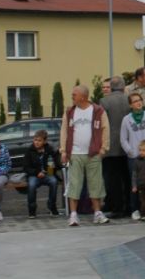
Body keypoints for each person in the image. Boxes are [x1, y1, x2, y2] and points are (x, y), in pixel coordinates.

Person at [60, 85, 111, 226]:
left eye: (74, 95)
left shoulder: (98, 111)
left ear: (83, 96)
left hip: (93, 154)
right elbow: (64, 131)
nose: (72, 97)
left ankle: (97, 213)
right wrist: (63, 150)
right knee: (74, 185)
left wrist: (103, 149)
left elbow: (105, 129)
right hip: (75, 154)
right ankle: (74, 215)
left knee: (96, 184)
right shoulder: (70, 112)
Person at [100, 75, 131, 218]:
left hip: (110, 147)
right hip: (128, 145)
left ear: (111, 87)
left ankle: (116, 207)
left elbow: (101, 125)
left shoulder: (104, 101)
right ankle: (130, 206)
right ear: (123, 87)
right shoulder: (128, 99)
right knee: (127, 177)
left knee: (112, 179)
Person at [121, 92, 145, 220]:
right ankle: (135, 209)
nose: (138, 103)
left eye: (139, 100)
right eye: (135, 101)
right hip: (134, 157)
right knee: (135, 184)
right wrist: (130, 152)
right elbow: (123, 139)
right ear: (130, 105)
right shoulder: (126, 120)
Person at [24, 129, 61, 218]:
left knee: (53, 181)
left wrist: (49, 171)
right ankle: (32, 209)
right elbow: (26, 168)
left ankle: (52, 206)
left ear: (44, 141)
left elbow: (55, 164)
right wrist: (37, 173)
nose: (36, 142)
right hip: (34, 175)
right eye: (35, 140)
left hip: (47, 174)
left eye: (39, 141)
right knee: (31, 185)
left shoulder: (49, 150)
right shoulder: (30, 151)